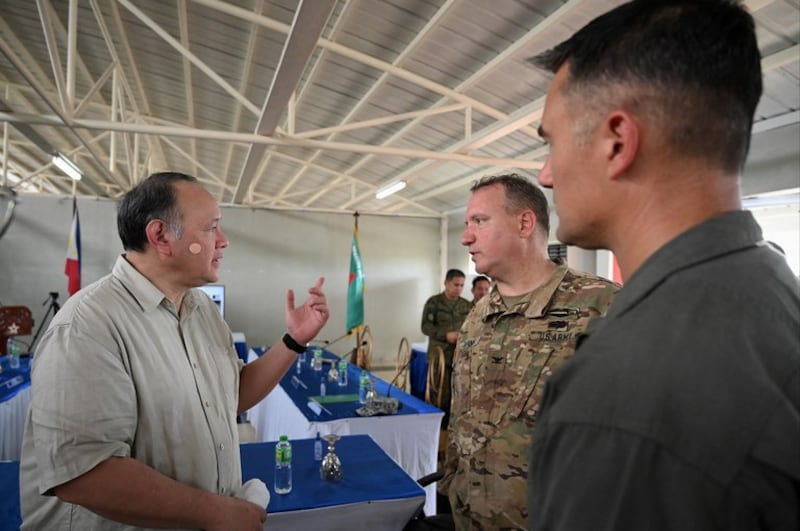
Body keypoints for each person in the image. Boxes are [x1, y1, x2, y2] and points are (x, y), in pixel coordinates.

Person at [528, 1, 800, 530]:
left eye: (552, 141)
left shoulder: (620, 402)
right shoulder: (773, 287)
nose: (545, 174)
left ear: (617, 142)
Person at [19, 172, 330, 530]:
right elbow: (83, 473)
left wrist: (294, 340)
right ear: (160, 236)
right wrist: (216, 513)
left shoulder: (202, 310)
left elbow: (231, 396)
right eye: (212, 228)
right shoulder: (88, 327)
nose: (224, 241)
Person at [437, 174, 619, 530]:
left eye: (479, 221)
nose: (465, 236)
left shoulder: (602, 305)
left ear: (524, 222)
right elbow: (462, 421)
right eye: (466, 223)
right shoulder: (478, 315)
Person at [420, 268, 471, 426]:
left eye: (462, 285)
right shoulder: (434, 303)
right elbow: (425, 327)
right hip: (439, 357)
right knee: (439, 396)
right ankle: (437, 431)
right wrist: (445, 335)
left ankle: (452, 430)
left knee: (458, 396)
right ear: (446, 283)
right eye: (456, 284)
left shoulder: (466, 305)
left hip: (459, 357)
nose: (459, 288)